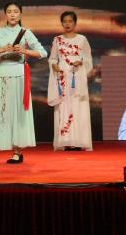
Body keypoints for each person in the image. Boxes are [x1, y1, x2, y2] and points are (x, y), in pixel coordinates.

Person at [0, 2, 47, 164]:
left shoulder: (26, 32)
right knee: (5, 112)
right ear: (5, 14)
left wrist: (24, 50)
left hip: (19, 76)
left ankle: (17, 151)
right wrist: (3, 49)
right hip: (3, 75)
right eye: (9, 11)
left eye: (16, 11)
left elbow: (43, 53)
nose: (12, 14)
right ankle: (9, 146)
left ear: (20, 14)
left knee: (18, 112)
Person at [47, 11, 93, 151]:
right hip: (62, 77)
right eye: (65, 21)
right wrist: (54, 65)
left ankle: (79, 141)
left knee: (78, 106)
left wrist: (81, 62)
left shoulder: (82, 39)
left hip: (77, 76)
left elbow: (88, 58)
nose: (67, 24)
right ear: (62, 23)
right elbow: (52, 58)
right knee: (64, 107)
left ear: (75, 23)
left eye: (70, 21)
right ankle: (65, 140)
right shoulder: (57, 40)